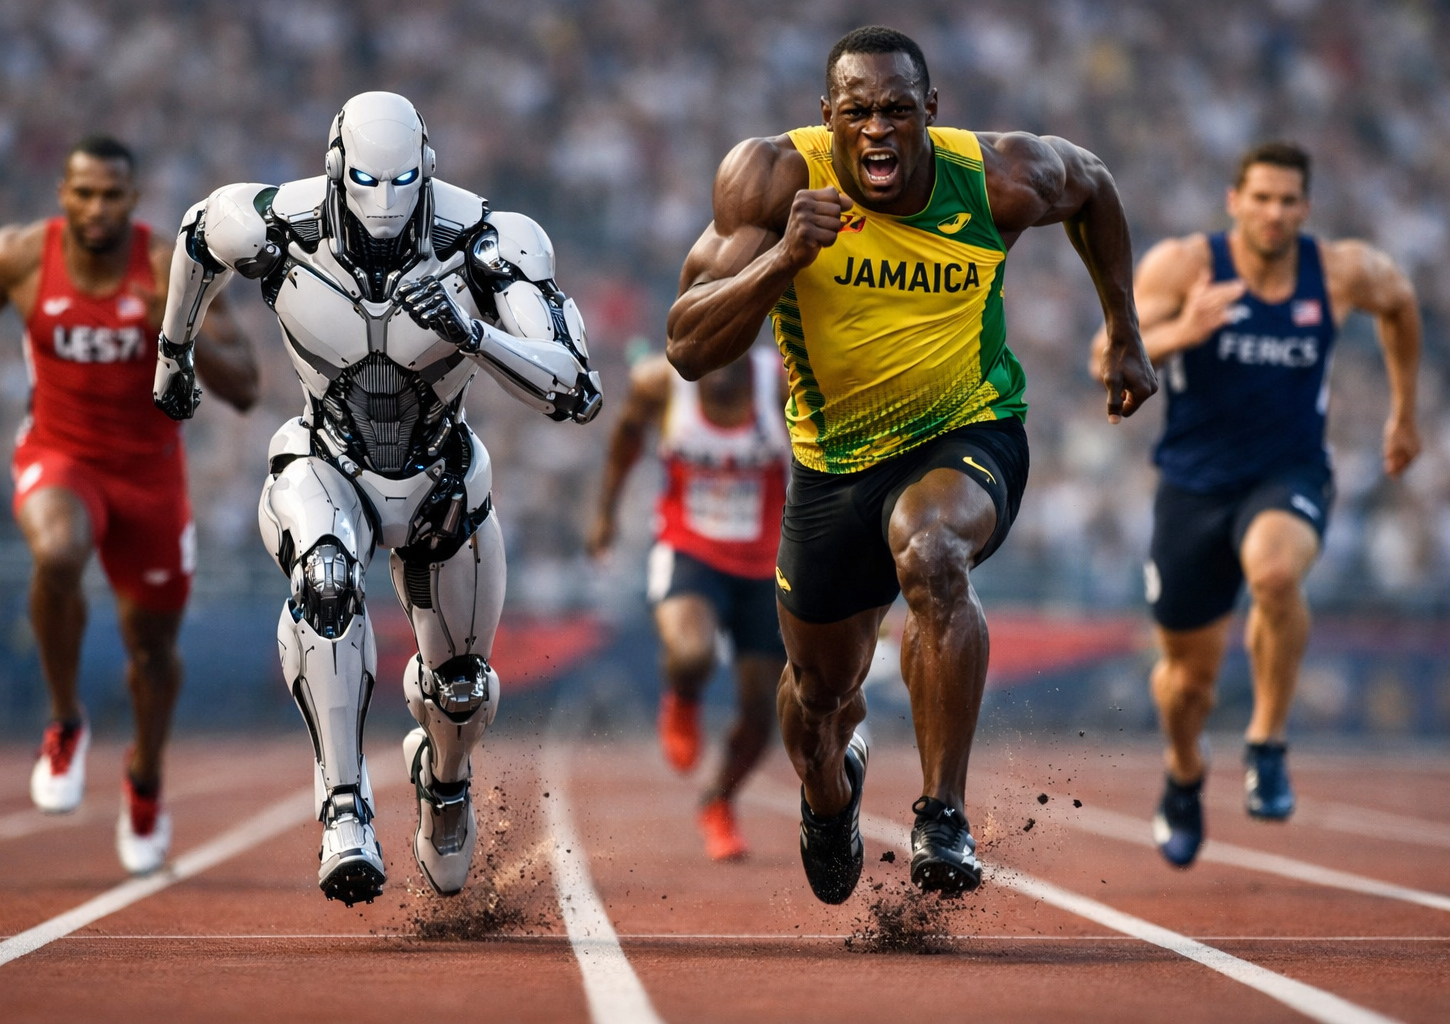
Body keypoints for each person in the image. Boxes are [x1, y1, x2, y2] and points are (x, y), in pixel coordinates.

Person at [667, 26, 1156, 904]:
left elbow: (1093, 184)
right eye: (857, 112)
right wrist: (784, 257)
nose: (878, 130)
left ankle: (943, 815)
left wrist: (1123, 326)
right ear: (828, 115)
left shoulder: (996, 177)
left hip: (966, 431)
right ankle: (829, 796)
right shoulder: (774, 178)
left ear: (930, 110)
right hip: (834, 466)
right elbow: (688, 347)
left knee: (933, 554)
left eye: (897, 110)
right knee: (818, 698)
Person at [153, 91, 603, 905]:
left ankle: (445, 779)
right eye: (367, 184)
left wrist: (474, 333)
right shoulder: (273, 223)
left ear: (427, 172)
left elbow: (575, 388)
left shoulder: (487, 241)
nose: (386, 211)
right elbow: (196, 237)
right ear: (337, 172)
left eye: (402, 186)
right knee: (324, 581)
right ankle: (344, 809)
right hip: (327, 458)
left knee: (460, 689)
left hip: (442, 479)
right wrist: (172, 351)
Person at [1091, 142, 1421, 867]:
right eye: (1261, 198)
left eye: (1288, 200)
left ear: (1306, 208)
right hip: (1192, 485)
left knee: (1275, 575)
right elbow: (1103, 356)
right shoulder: (1186, 266)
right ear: (1234, 202)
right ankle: (1184, 771)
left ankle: (1267, 742)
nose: (1274, 212)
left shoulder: (1339, 271)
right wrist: (1185, 330)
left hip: (1289, 471)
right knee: (1187, 684)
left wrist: (1404, 413)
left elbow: (1399, 304)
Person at [0, 135, 258, 875]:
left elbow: (245, 386)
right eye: (84, 193)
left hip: (150, 477)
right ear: (63, 194)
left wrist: (173, 330)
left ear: (133, 200)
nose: (97, 208)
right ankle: (65, 722)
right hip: (60, 455)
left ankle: (144, 779)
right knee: (56, 552)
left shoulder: (170, 269)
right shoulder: (19, 256)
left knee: (153, 654)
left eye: (112, 194)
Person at [588, 346, 788, 860]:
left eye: (727, 361)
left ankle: (719, 800)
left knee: (762, 711)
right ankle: (684, 697)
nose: (716, 378)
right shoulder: (659, 382)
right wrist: (606, 514)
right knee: (691, 653)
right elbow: (626, 439)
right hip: (689, 549)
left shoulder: (781, 384)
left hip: (766, 562)